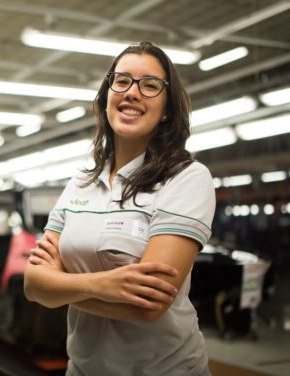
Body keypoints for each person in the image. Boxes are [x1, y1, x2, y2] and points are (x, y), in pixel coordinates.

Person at [24, 41, 216, 376]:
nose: (132, 92)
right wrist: (102, 286)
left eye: (150, 85)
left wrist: (59, 286)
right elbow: (33, 285)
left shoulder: (187, 178)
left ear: (168, 108)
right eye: (122, 80)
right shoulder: (81, 183)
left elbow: (148, 305)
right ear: (106, 96)